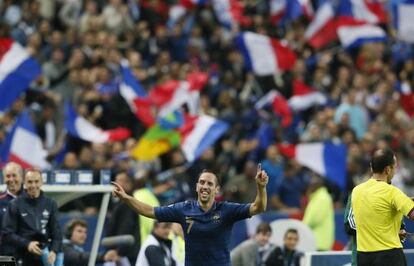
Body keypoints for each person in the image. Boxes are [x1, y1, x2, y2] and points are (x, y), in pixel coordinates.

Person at [112, 164, 269, 266]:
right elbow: (150, 211)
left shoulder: (226, 209)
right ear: (196, 187)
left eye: (209, 183)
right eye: (201, 182)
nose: (204, 186)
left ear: (217, 189)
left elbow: (258, 208)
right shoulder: (184, 209)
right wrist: (127, 198)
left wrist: (261, 188)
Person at [352, 148, 414, 266]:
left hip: (364, 257)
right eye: (394, 168)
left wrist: (395, 231)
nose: (395, 172)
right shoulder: (392, 192)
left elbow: (374, 215)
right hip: (389, 256)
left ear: (371, 167)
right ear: (388, 170)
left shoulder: (356, 191)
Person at [1, 168, 63, 266]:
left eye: (36, 181)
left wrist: (54, 251)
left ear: (42, 182)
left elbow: (57, 233)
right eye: (30, 182)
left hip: (45, 255)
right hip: (22, 255)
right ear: (24, 183)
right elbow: (7, 233)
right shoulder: (15, 204)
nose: (33, 185)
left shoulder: (51, 204)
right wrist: (28, 244)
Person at [106, 171, 141, 265]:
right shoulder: (120, 202)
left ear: (129, 184)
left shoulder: (127, 203)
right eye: (116, 180)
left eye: (121, 180)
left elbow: (126, 228)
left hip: (125, 255)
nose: (116, 184)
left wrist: (118, 252)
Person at [302, 174, 334, 251]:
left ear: (320, 184)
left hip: (319, 242)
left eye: (314, 183)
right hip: (317, 242)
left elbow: (314, 219)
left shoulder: (321, 198)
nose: (311, 185)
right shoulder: (317, 197)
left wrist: (302, 228)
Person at [0, 162, 24, 256]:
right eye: (8, 176)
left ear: (21, 177)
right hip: (6, 254)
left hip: (28, 255)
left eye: (14, 175)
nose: (11, 179)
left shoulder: (33, 200)